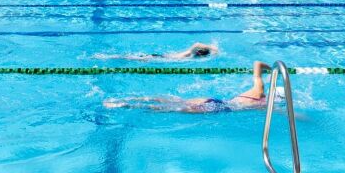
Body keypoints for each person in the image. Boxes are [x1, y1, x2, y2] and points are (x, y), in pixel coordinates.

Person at [104, 61, 272, 113]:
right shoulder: (264, 104)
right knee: (169, 108)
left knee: (173, 101)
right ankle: (125, 105)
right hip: (216, 107)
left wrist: (271, 70)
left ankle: (126, 100)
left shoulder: (257, 90)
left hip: (213, 99)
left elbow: (257, 65)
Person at [108, 42, 219, 61]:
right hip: (160, 58)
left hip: (161, 57)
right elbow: (197, 44)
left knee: (132, 58)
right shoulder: (191, 53)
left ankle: (112, 56)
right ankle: (109, 57)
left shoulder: (192, 55)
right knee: (131, 58)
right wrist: (213, 49)